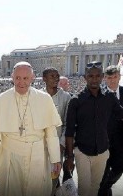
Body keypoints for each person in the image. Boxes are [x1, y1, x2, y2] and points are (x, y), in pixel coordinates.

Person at [0, 61, 62, 195]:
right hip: (10, 155)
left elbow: (51, 133)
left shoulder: (44, 99)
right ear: (12, 78)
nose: (21, 82)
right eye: (17, 78)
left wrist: (55, 159)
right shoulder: (1, 100)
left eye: (25, 78)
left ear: (32, 78)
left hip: (38, 155)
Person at [64, 61, 123, 196]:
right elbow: (69, 131)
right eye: (91, 76)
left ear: (102, 76)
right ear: (85, 77)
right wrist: (69, 156)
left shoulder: (109, 97)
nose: (94, 79)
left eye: (97, 76)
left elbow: (121, 114)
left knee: (95, 188)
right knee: (84, 189)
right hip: (82, 152)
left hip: (102, 152)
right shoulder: (76, 100)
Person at [42, 67, 72, 195]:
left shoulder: (66, 97)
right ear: (44, 79)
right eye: (52, 76)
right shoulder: (37, 96)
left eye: (57, 76)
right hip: (39, 145)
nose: (56, 79)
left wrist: (62, 143)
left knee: (54, 178)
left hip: (57, 146)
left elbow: (67, 123)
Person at [98, 65, 123, 195]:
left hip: (121, 143)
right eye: (109, 77)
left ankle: (104, 188)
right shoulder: (98, 95)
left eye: (115, 77)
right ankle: (104, 191)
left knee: (119, 169)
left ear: (119, 77)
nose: (112, 80)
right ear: (105, 79)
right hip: (104, 142)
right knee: (103, 172)